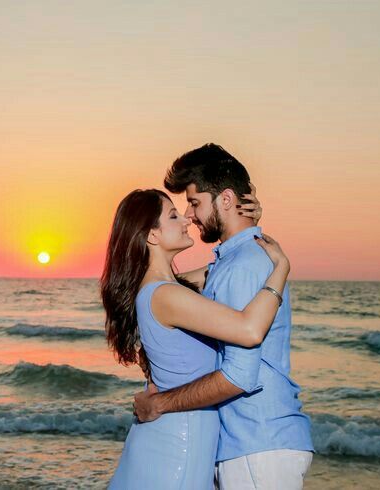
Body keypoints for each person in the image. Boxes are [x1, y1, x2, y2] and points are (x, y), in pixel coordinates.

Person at [133, 144, 314, 490]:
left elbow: (239, 375)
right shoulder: (231, 262)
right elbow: (175, 289)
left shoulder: (244, 264)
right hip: (252, 444)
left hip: (257, 445)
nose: (190, 215)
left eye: (195, 202)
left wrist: (160, 404)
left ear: (226, 200)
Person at [101, 186, 290, 489]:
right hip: (176, 449)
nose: (186, 220)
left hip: (176, 439)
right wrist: (281, 269)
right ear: (152, 235)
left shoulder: (164, 289)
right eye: (173, 215)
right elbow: (250, 330)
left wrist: (248, 227)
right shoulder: (166, 295)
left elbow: (225, 267)